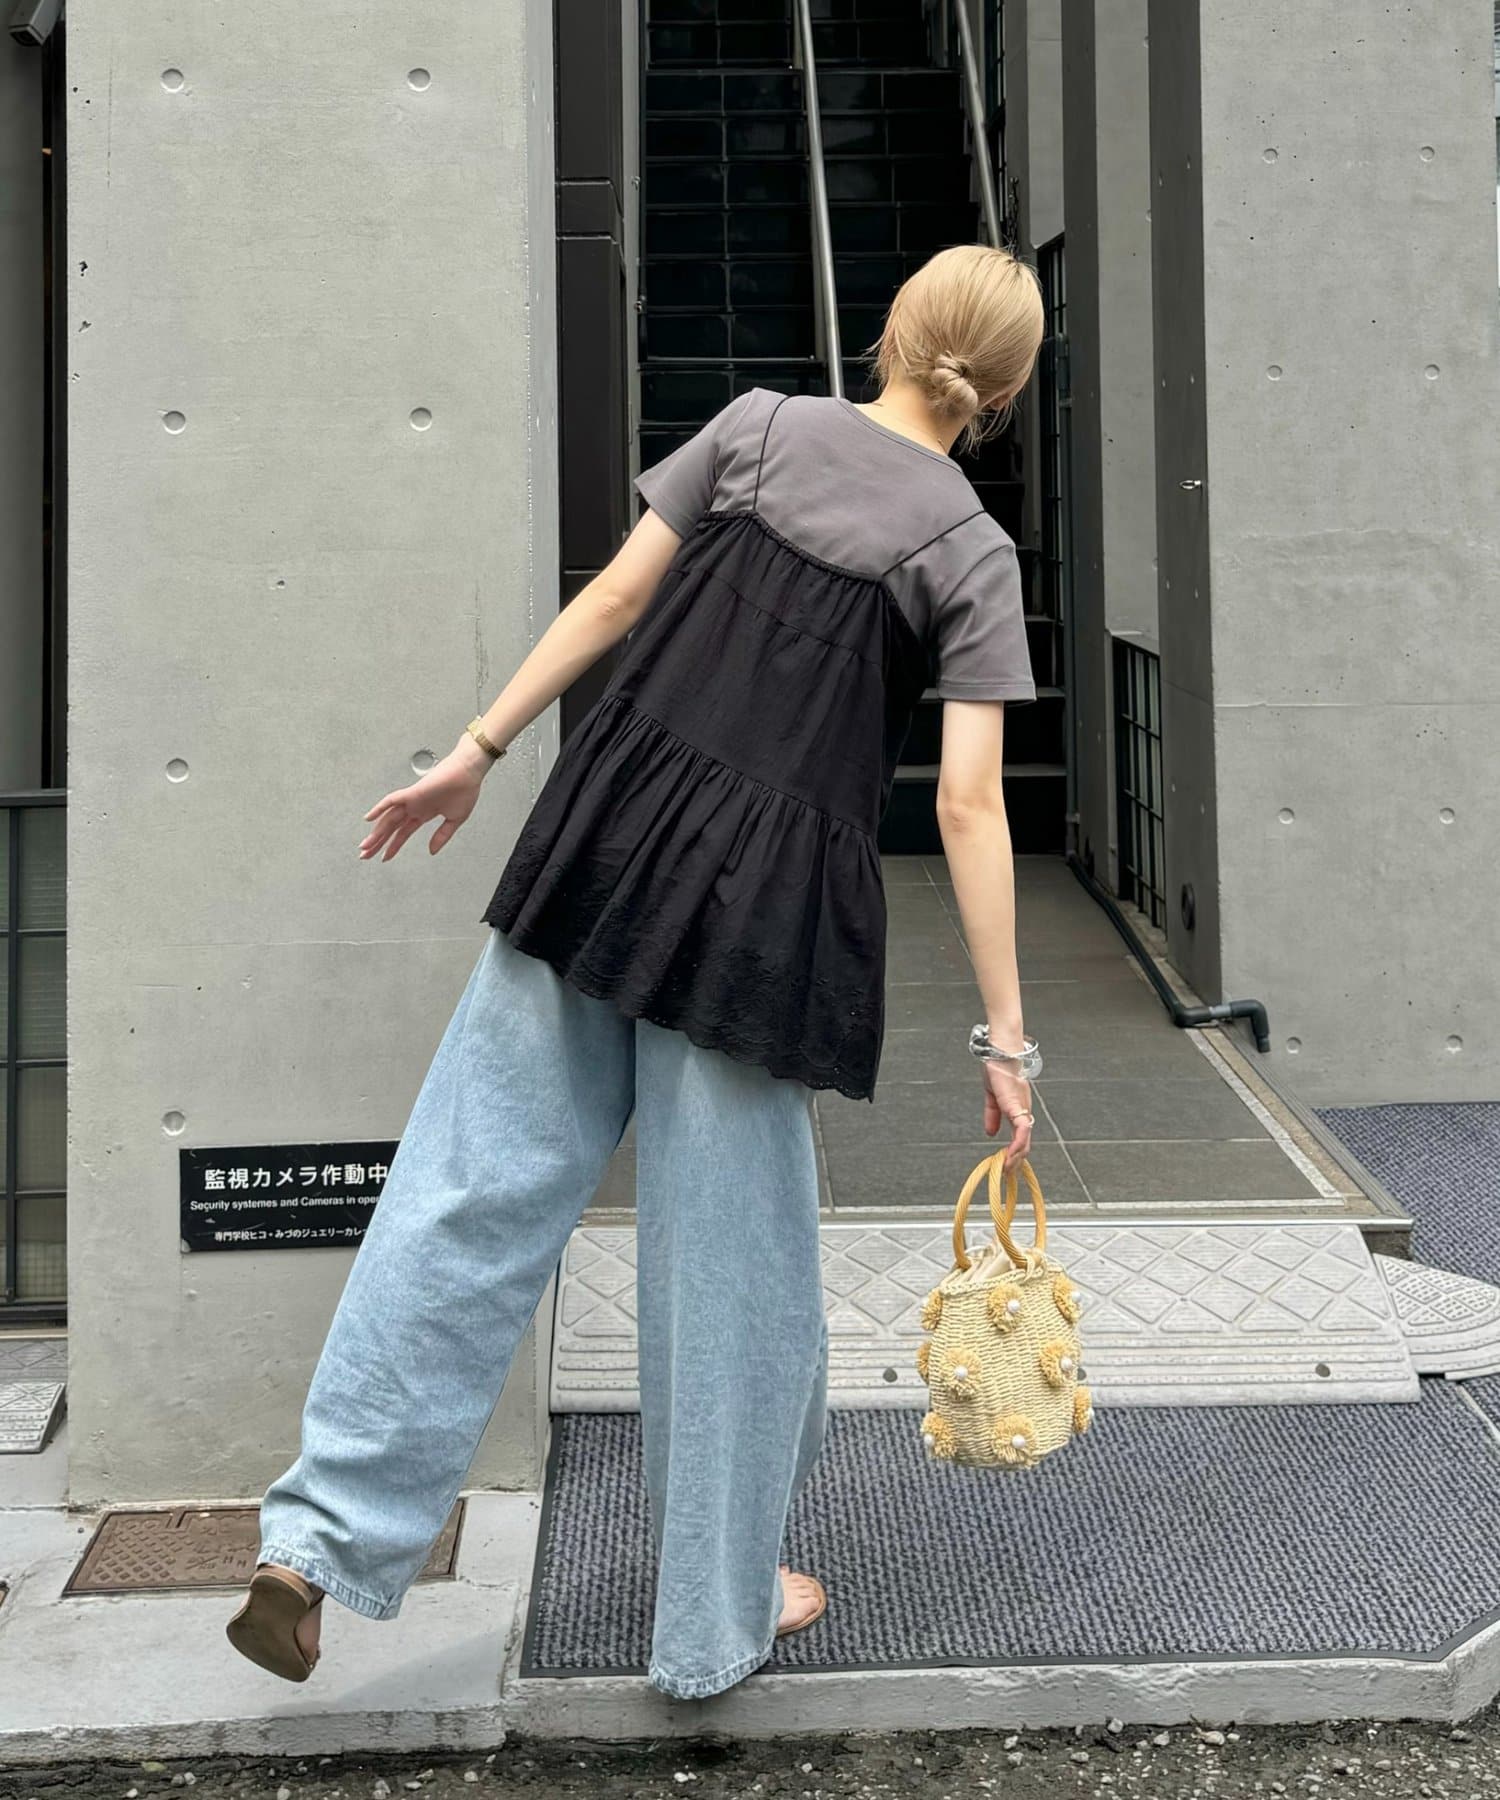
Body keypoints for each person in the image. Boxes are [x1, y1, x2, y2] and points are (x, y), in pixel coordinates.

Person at [226, 242, 1046, 1701]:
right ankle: (714, 1620)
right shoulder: (970, 552)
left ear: (891, 332)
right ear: (1005, 391)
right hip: (761, 928)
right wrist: (1005, 1037)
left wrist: (474, 752)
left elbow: (610, 603)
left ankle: (317, 1538)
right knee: (730, 1285)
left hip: (604, 844)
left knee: (462, 1195)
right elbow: (971, 805)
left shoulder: (755, 427)